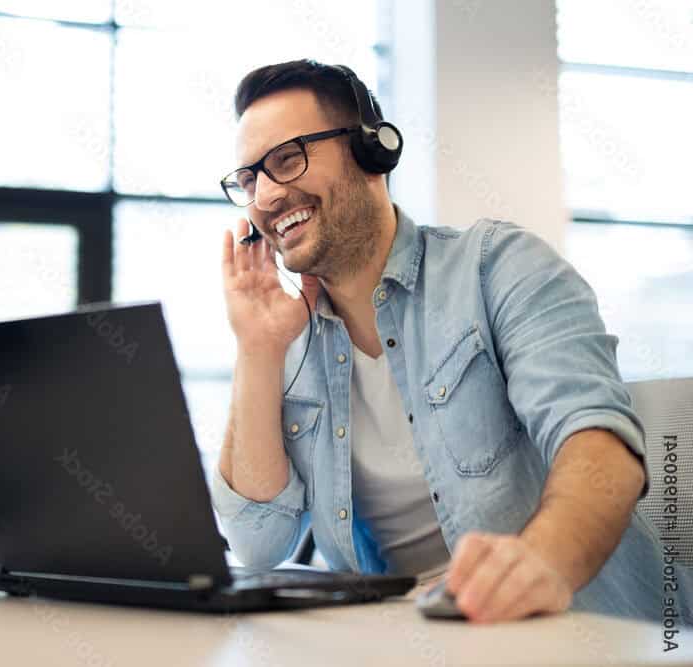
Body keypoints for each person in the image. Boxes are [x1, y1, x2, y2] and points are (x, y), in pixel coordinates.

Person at [211, 58, 692, 624]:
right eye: (248, 180)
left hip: (569, 634)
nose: (265, 196)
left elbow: (597, 442)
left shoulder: (498, 269)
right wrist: (258, 351)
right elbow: (257, 544)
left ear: (372, 151)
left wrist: (545, 562)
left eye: (287, 160)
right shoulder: (288, 341)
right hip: (397, 642)